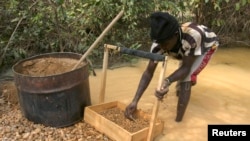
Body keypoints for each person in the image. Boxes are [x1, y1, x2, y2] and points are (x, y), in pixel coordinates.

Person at [124, 12, 219, 122]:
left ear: (175, 35)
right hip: (185, 50)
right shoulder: (158, 44)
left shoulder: (193, 37)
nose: (162, 47)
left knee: (186, 77)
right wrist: (135, 101)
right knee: (181, 79)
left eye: (165, 43)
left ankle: (178, 121)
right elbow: (148, 72)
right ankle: (182, 92)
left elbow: (186, 68)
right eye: (160, 44)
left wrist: (167, 81)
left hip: (207, 46)